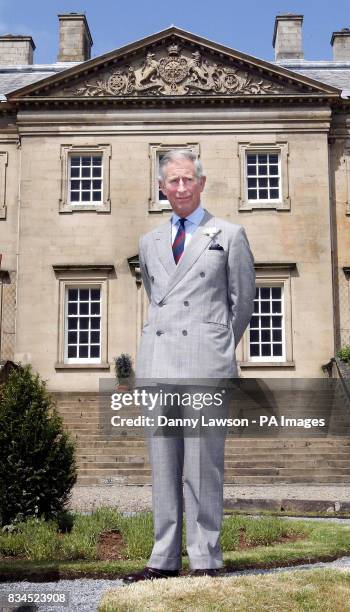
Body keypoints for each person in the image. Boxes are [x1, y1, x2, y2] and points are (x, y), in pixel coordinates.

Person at [123, 149, 255, 582]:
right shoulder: (149, 242)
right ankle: (163, 557)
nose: (180, 188)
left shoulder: (229, 234)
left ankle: (205, 558)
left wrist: (216, 347)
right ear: (162, 188)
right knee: (163, 465)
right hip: (158, 363)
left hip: (204, 363)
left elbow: (242, 304)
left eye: (187, 180)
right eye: (172, 181)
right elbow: (156, 301)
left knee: (202, 464)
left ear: (201, 183)